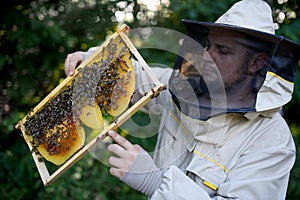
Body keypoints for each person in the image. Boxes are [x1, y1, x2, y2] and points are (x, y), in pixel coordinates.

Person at [64, 0, 300, 199]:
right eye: (208, 46)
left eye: (223, 51)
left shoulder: (271, 141)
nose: (207, 57)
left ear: (256, 62)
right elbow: (133, 75)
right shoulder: (184, 89)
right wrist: (90, 60)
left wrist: (156, 183)